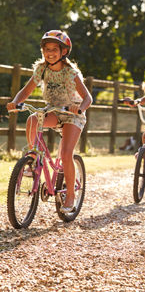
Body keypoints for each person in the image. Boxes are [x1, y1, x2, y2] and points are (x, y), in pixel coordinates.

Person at [6, 30, 92, 212]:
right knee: (32, 119)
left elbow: (88, 98)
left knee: (67, 154)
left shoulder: (70, 72)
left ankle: (70, 196)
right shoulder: (41, 69)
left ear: (63, 52)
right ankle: (33, 157)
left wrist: (80, 108)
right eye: (46, 49)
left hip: (71, 114)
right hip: (53, 110)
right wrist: (16, 102)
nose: (50, 52)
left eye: (55, 49)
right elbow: (27, 89)